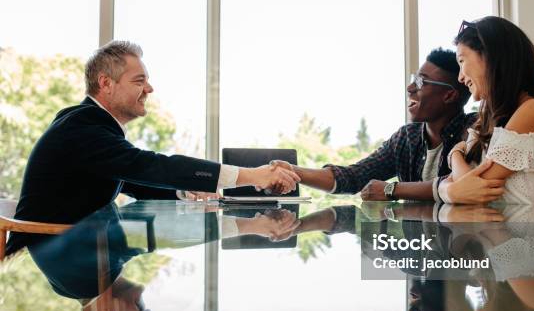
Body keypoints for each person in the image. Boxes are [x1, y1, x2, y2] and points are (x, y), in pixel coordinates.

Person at [6, 40, 299, 256]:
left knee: (158, 237)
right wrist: (253, 176)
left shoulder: (88, 124)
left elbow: (134, 180)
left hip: (75, 245)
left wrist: (186, 191)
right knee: (159, 242)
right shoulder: (83, 127)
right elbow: (150, 166)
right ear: (106, 83)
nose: (149, 89)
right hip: (58, 255)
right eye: (139, 80)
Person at [271, 48, 495, 202]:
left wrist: (391, 190)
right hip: (419, 255)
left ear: (449, 96)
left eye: (420, 81)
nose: (410, 88)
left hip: (462, 256)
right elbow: (353, 177)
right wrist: (294, 171)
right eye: (412, 78)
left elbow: (454, 186)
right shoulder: (407, 137)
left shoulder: (475, 129)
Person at [438, 16, 534, 205]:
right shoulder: (488, 121)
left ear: (491, 57)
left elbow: (473, 190)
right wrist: (450, 187)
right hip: (493, 232)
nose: (459, 77)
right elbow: (463, 187)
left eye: (461, 61)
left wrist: (454, 159)